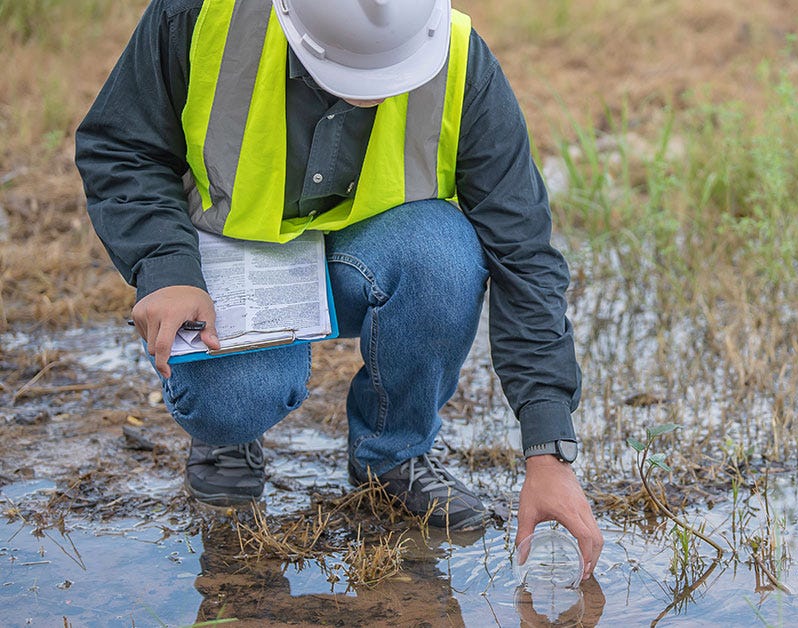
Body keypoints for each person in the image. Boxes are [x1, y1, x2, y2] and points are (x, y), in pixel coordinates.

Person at [75, 0, 602, 579]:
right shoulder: (202, 16)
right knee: (232, 400)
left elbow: (522, 250)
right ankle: (229, 438)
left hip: (368, 255)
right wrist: (166, 270)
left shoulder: (458, 58)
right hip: (231, 264)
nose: (373, 94)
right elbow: (121, 146)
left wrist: (547, 450)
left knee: (445, 251)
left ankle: (393, 452)